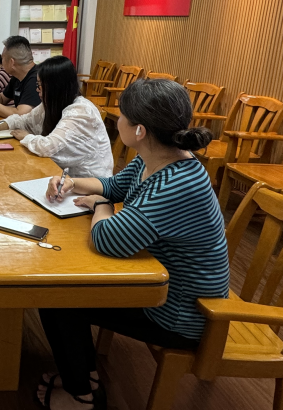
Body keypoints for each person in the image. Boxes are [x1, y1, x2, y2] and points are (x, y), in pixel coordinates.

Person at [34, 79, 229, 410]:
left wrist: (100, 205)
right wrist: (71, 182)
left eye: (122, 115)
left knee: (59, 297)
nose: (117, 120)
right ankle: (84, 376)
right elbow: (114, 185)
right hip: (165, 287)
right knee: (63, 293)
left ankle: (81, 396)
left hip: (179, 312)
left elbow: (107, 239)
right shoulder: (155, 156)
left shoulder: (176, 183)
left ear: (139, 130)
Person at [0, 56, 112, 178]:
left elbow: (48, 147)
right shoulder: (53, 103)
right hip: (63, 177)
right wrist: (0, 125)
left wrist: (26, 137)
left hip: (88, 184)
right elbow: (25, 120)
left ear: (55, 87)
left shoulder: (80, 111)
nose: (37, 90)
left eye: (40, 85)